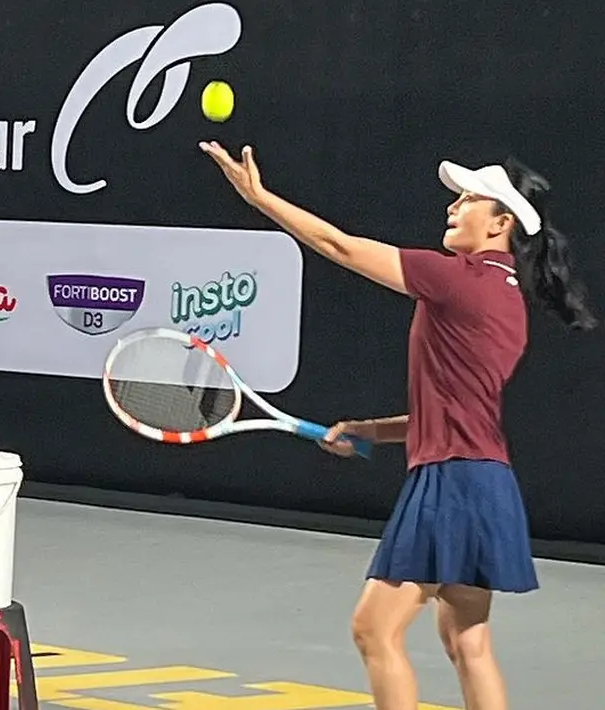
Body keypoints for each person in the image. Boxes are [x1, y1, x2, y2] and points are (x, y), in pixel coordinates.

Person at [200, 140, 595, 710]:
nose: (451, 209)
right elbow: (455, 409)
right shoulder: (507, 299)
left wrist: (259, 198)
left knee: (374, 630)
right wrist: (370, 430)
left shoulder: (457, 278)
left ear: (500, 222)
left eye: (465, 201)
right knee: (467, 639)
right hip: (487, 480)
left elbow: (338, 245)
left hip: (453, 484)